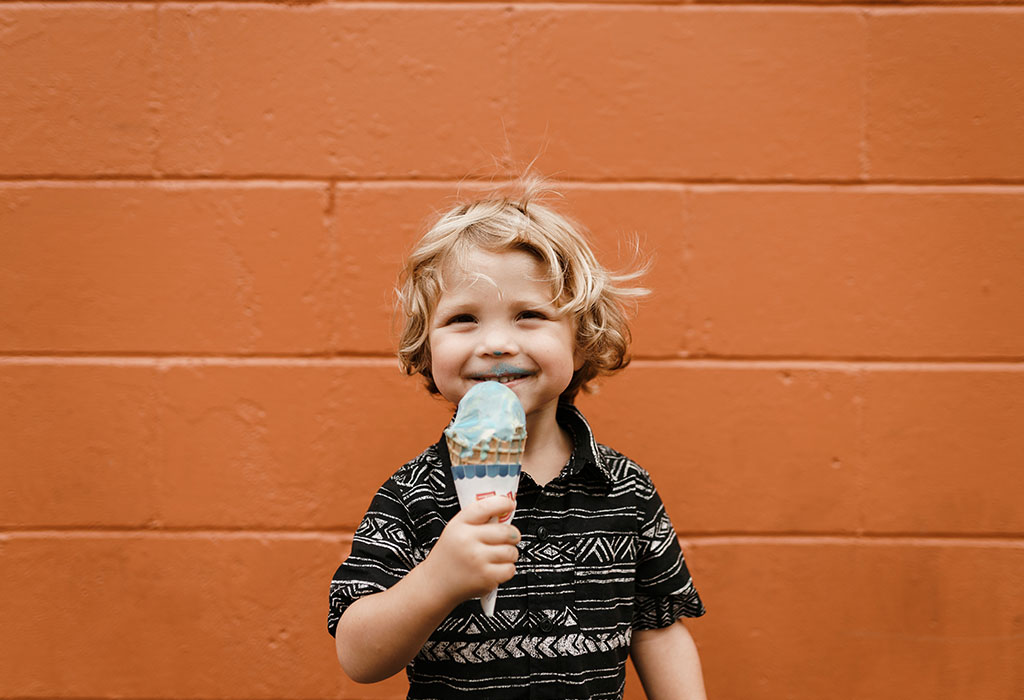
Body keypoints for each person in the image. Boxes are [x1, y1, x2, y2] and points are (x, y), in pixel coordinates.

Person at [328, 181, 707, 699]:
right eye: (463, 319)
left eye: (529, 315)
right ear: (426, 347)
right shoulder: (413, 495)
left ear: (581, 342)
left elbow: (658, 627)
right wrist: (438, 579)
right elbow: (357, 655)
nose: (497, 343)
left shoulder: (626, 491)